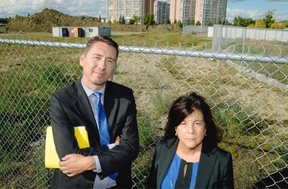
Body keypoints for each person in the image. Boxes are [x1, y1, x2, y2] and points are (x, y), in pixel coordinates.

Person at [49, 36, 139, 188]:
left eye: (110, 60)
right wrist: (112, 147)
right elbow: (68, 156)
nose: (102, 66)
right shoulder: (62, 100)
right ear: (82, 59)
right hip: (78, 183)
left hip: (117, 183)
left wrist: (91, 161)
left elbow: (131, 147)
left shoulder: (125, 96)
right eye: (97, 57)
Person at [146, 91, 234, 189]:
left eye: (197, 123)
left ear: (205, 128)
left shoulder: (221, 161)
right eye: (183, 123)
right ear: (176, 128)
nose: (191, 131)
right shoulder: (162, 149)